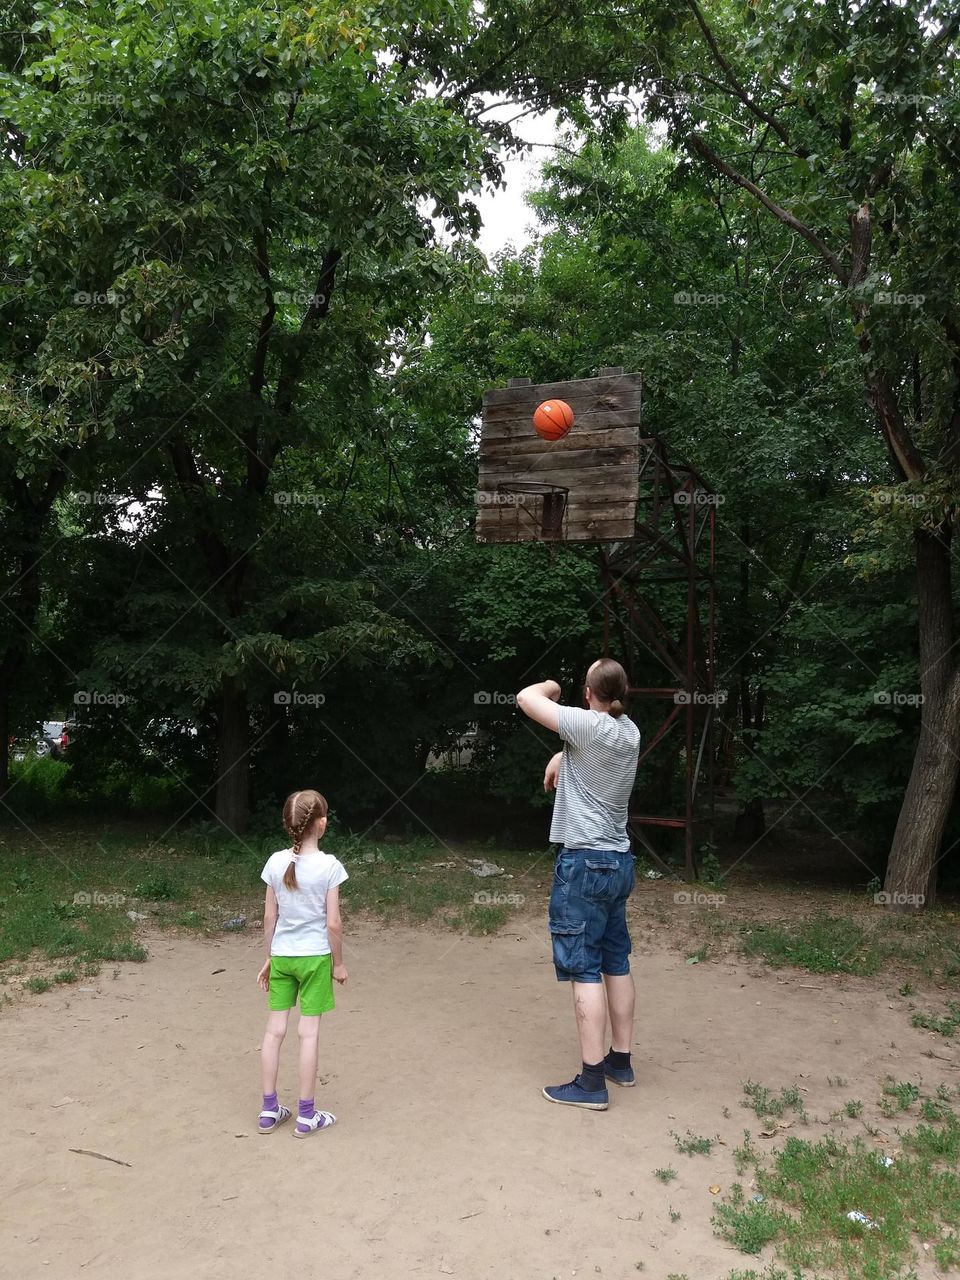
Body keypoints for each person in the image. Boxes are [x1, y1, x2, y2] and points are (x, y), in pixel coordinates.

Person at [517, 659, 641, 1110]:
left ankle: (591, 1083)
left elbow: (526, 698)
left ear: (588, 693)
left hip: (585, 864)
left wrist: (552, 683)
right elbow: (587, 754)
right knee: (616, 961)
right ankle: (619, 1062)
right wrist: (560, 757)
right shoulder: (629, 732)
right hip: (618, 862)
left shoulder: (588, 726)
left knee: (584, 968)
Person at [256, 789, 348, 1136]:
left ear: (289, 824)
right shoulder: (330, 866)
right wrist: (338, 964)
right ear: (321, 824)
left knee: (274, 1031)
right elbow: (334, 923)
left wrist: (269, 956)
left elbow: (270, 917)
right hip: (315, 958)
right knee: (308, 1034)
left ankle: (269, 1110)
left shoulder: (274, 862)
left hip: (282, 956)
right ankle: (306, 1115)